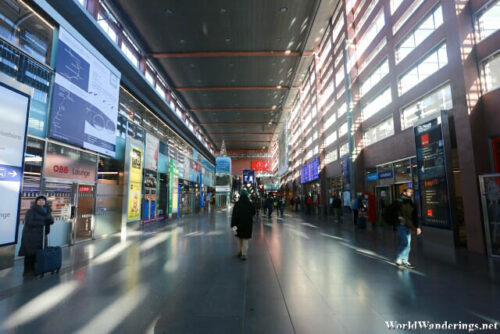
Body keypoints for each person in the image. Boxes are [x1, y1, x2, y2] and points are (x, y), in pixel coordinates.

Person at [19, 195, 54, 277]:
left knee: (39, 254)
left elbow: (50, 221)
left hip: (41, 236)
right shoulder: (31, 211)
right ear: (36, 201)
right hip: (31, 236)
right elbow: (30, 222)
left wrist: (49, 220)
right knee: (30, 255)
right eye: (39, 200)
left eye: (43, 200)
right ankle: (28, 272)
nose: (41, 201)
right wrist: (43, 223)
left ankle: (36, 270)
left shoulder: (47, 210)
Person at [395, 188, 421, 269]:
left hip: (409, 226)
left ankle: (405, 260)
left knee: (408, 244)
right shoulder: (399, 202)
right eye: (409, 192)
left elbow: (415, 216)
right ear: (404, 192)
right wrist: (399, 218)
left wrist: (418, 227)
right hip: (401, 225)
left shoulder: (412, 203)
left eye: (412, 192)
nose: (411, 193)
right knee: (405, 242)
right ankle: (399, 259)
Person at [231, 189, 255, 260]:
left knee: (239, 238)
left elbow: (234, 216)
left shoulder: (237, 204)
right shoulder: (250, 204)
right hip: (247, 224)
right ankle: (244, 253)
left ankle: (239, 252)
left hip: (238, 224)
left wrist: (233, 226)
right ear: (247, 195)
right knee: (245, 239)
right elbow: (253, 212)